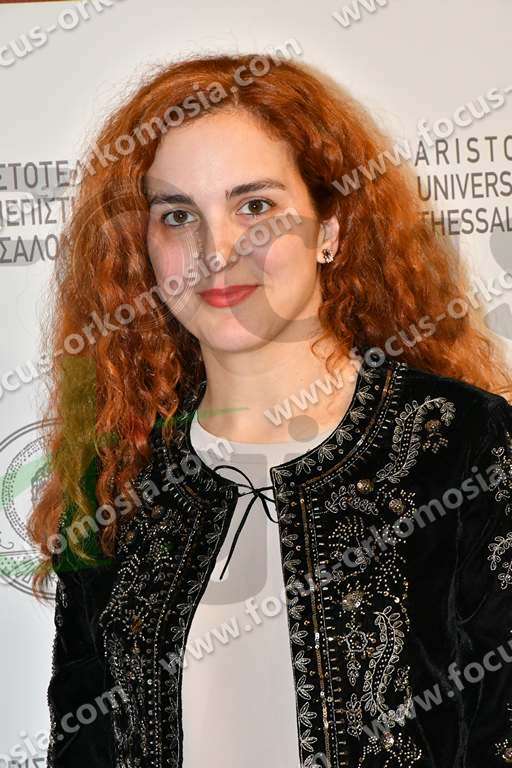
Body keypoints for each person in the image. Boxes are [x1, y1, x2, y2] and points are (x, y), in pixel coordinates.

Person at [27, 53, 512, 768]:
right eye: (178, 215)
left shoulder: (463, 443)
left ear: (329, 229)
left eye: (254, 207)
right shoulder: (119, 474)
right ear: (142, 248)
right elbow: (81, 743)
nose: (215, 251)